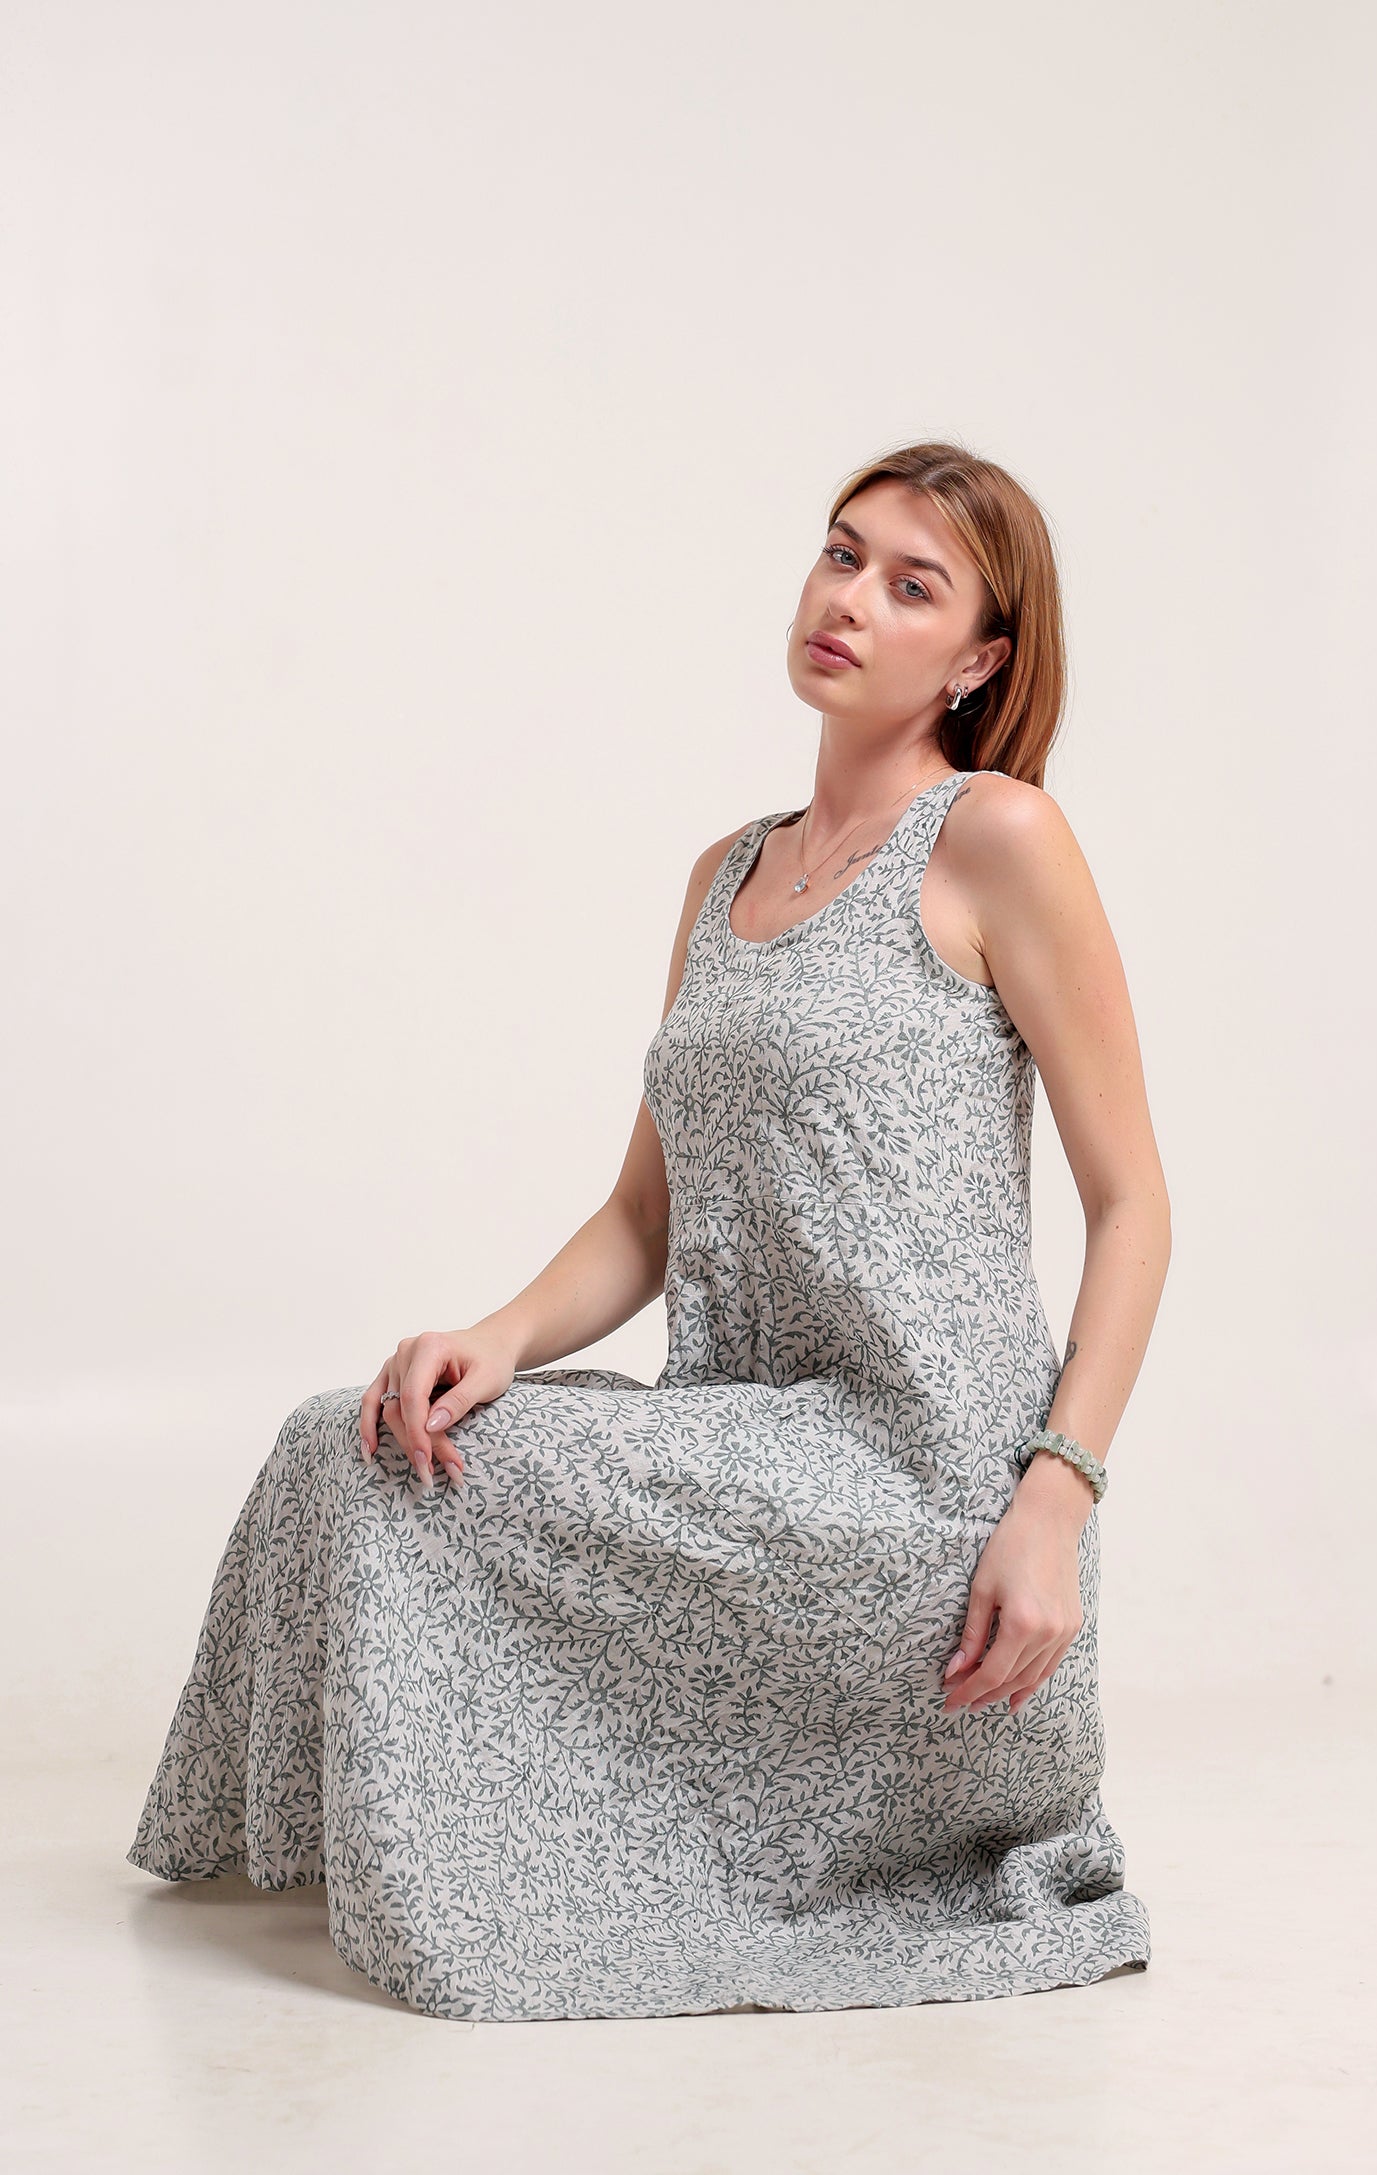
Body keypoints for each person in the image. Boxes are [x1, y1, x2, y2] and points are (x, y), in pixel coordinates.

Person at [128, 438, 1170, 2023]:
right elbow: (641, 1212)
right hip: (746, 1437)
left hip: (924, 1477)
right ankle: (297, 1848)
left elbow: (1134, 1205)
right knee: (361, 1435)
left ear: (977, 658)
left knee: (391, 1471)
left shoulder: (997, 839)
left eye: (912, 585)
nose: (850, 600)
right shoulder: (722, 875)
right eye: (840, 554)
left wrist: (1055, 1499)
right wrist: (496, 1336)